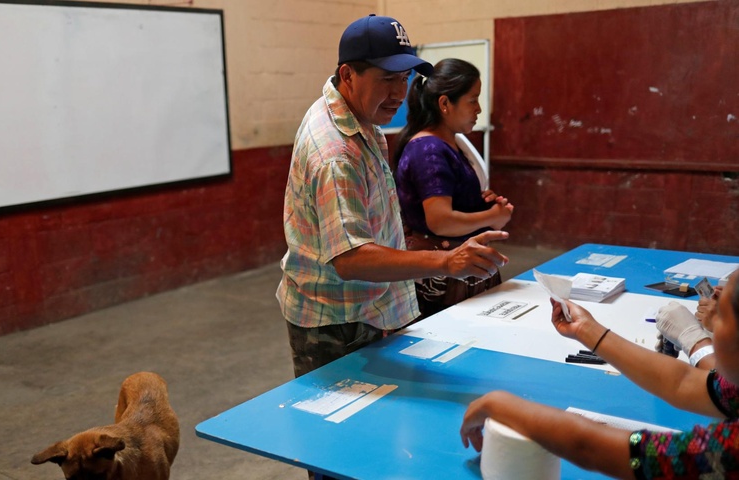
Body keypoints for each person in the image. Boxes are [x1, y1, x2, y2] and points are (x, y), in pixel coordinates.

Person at [277, 14, 510, 381]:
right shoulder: (335, 152)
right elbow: (351, 259)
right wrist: (447, 262)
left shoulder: (357, 114)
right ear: (348, 74)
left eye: (404, 78)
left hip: (365, 307)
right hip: (336, 321)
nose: (400, 93)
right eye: (387, 79)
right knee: (342, 430)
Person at [460, 270, 739, 479]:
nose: (710, 327)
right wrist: (587, 329)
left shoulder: (728, 450)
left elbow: (590, 447)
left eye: (720, 318)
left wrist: (498, 403)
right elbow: (685, 383)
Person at [392, 58, 514, 318]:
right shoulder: (429, 150)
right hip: (443, 280)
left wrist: (480, 202)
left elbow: (450, 200)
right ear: (445, 104)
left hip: (459, 273)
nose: (479, 109)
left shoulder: (446, 144)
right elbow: (441, 221)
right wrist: (492, 217)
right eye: (472, 100)